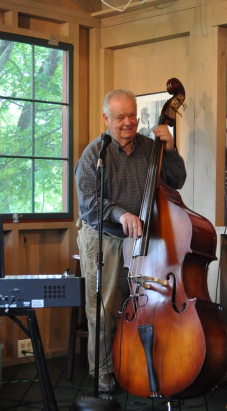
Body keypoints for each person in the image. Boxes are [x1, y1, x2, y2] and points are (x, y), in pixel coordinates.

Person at [75, 89, 187, 393]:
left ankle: (139, 361)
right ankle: (103, 370)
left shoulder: (151, 149)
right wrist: (120, 213)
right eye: (120, 117)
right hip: (105, 236)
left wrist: (172, 149)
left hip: (144, 238)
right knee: (105, 306)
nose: (128, 122)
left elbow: (176, 181)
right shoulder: (94, 154)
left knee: (144, 302)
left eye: (132, 115)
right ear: (106, 119)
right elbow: (88, 203)